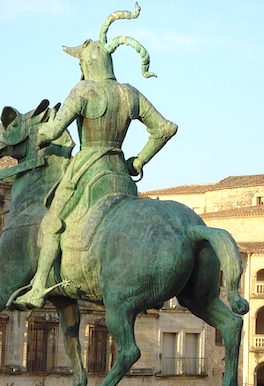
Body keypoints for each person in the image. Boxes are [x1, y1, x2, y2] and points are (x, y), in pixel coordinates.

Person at [15, 4, 178, 309]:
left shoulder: (83, 91)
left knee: (51, 222)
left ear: (86, 65)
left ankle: (38, 287)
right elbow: (165, 129)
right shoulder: (130, 93)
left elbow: (52, 132)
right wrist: (139, 161)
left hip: (86, 170)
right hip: (120, 175)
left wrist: (32, 137)